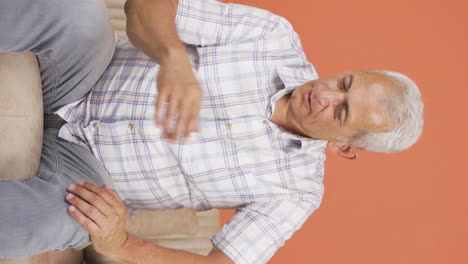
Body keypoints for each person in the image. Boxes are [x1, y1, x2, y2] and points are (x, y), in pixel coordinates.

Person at [0, 0, 424, 263]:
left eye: (343, 112)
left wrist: (121, 242)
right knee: (77, 11)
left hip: (88, 178)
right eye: (344, 82)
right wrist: (172, 58)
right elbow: (147, 5)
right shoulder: (271, 37)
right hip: (87, 72)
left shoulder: (296, 192)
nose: (326, 94)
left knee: (58, 224)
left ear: (344, 148)